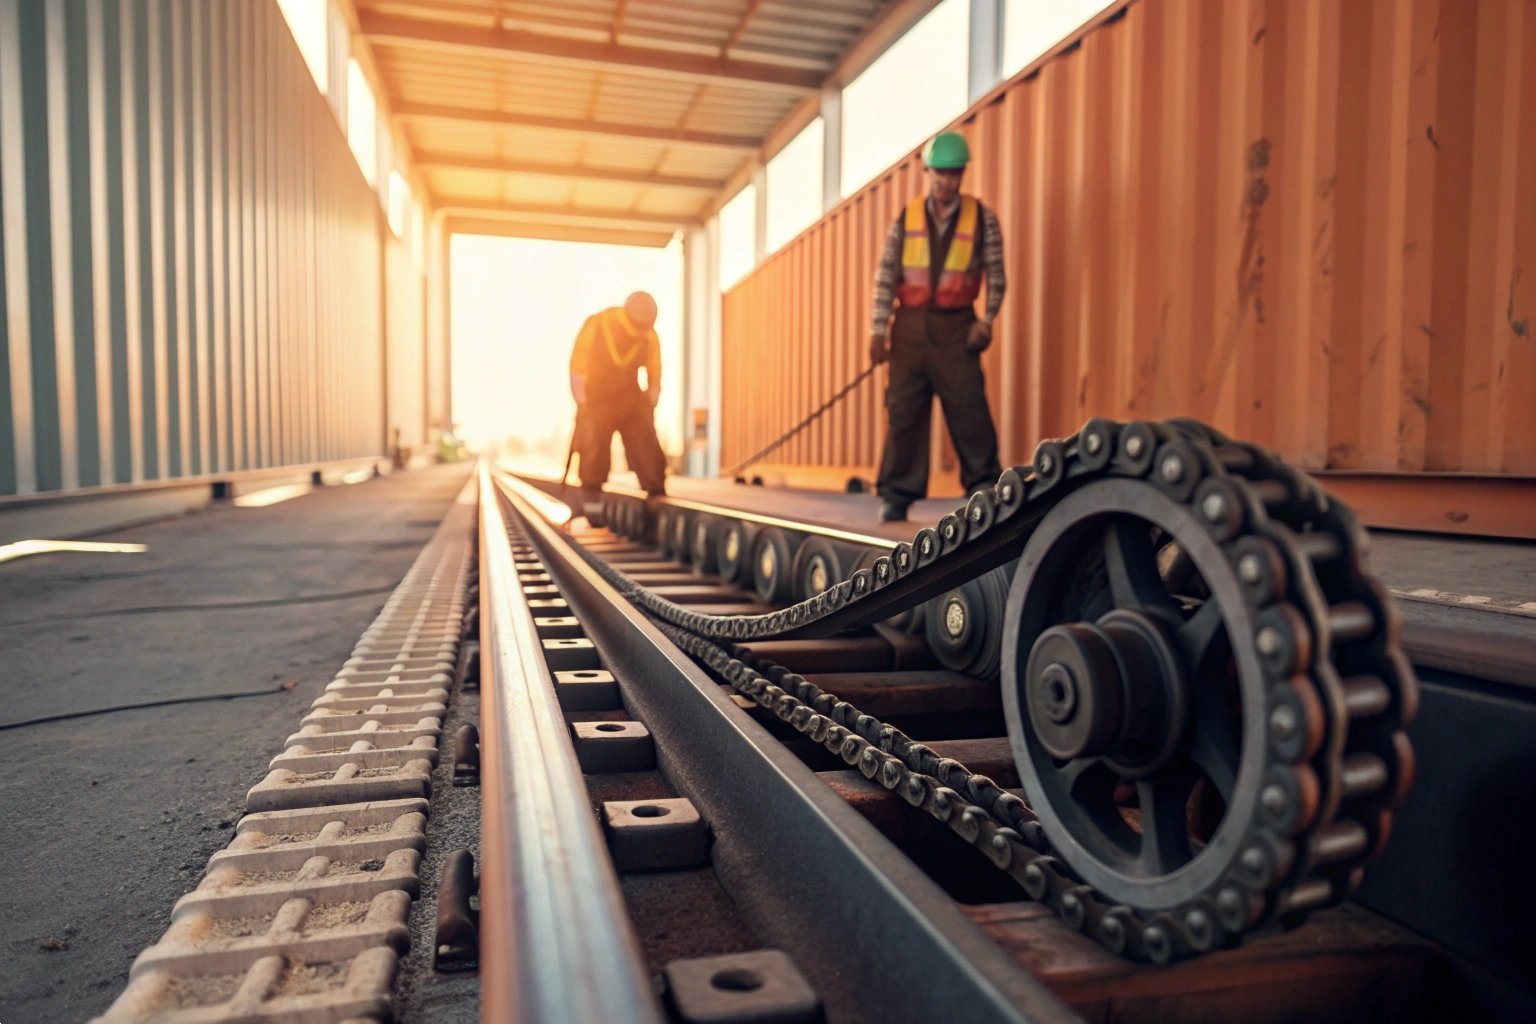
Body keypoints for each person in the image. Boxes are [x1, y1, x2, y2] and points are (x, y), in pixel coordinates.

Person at [868, 131, 1006, 522]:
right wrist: (877, 330)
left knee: (968, 405)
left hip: (957, 328)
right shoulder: (907, 218)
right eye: (941, 174)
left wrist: (987, 320)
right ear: (929, 173)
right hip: (908, 328)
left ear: (962, 174)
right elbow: (885, 277)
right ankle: (896, 495)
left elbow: (997, 274)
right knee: (903, 412)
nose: (947, 182)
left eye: (955, 174)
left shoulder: (982, 218)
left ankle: (983, 485)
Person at [569, 291, 668, 505]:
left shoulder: (650, 335)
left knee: (646, 443)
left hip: (631, 397)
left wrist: (651, 402)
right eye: (640, 329)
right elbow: (577, 367)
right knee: (594, 446)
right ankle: (591, 499)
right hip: (597, 397)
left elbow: (655, 371)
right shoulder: (597, 324)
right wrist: (582, 402)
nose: (642, 333)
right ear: (628, 317)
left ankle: (656, 498)